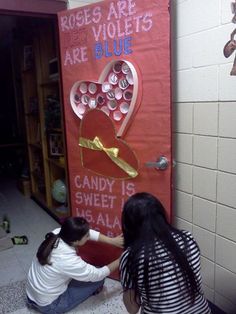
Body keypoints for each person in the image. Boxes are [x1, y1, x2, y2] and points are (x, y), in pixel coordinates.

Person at [119, 192, 211, 314]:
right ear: (161, 216)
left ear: (129, 225)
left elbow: (133, 309)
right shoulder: (187, 238)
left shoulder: (131, 257)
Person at [26, 216, 123, 314]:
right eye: (86, 237)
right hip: (50, 305)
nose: (89, 237)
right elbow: (98, 274)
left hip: (31, 295)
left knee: (84, 273)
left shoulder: (57, 233)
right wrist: (121, 258)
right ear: (76, 241)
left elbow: (86, 232)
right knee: (98, 279)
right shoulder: (69, 260)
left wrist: (112, 241)